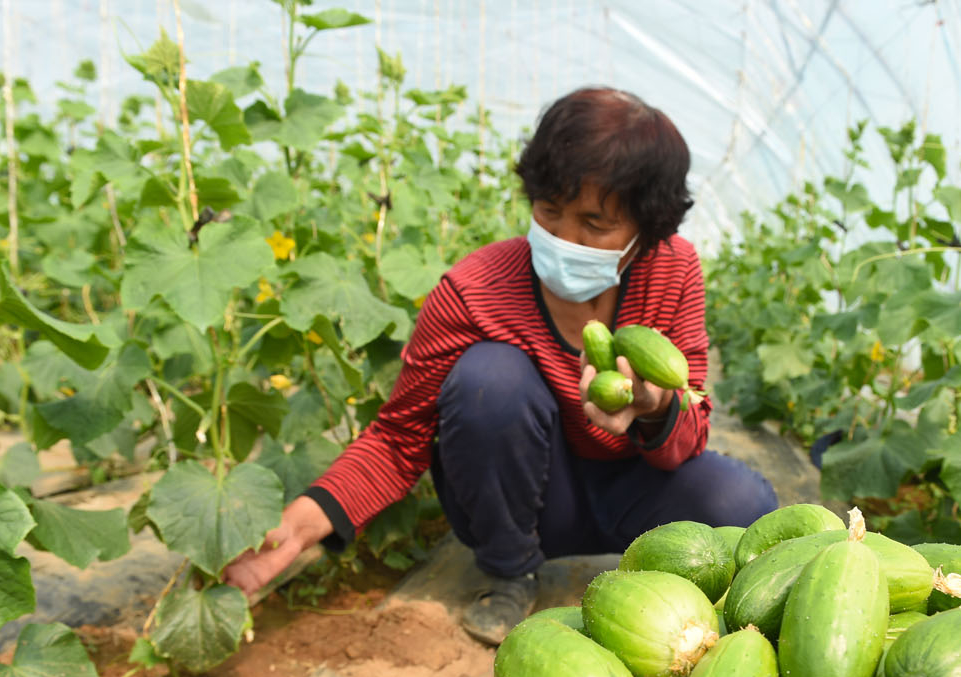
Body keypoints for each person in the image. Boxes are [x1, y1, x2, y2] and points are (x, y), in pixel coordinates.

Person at [223, 86, 778, 645]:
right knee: (489, 379)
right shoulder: (476, 289)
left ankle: (658, 576)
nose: (564, 238)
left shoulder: (672, 271)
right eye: (550, 211)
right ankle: (511, 572)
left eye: (594, 223)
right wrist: (298, 528)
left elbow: (694, 424)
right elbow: (398, 437)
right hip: (530, 498)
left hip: (633, 487)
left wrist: (656, 407)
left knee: (744, 507)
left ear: (646, 229)